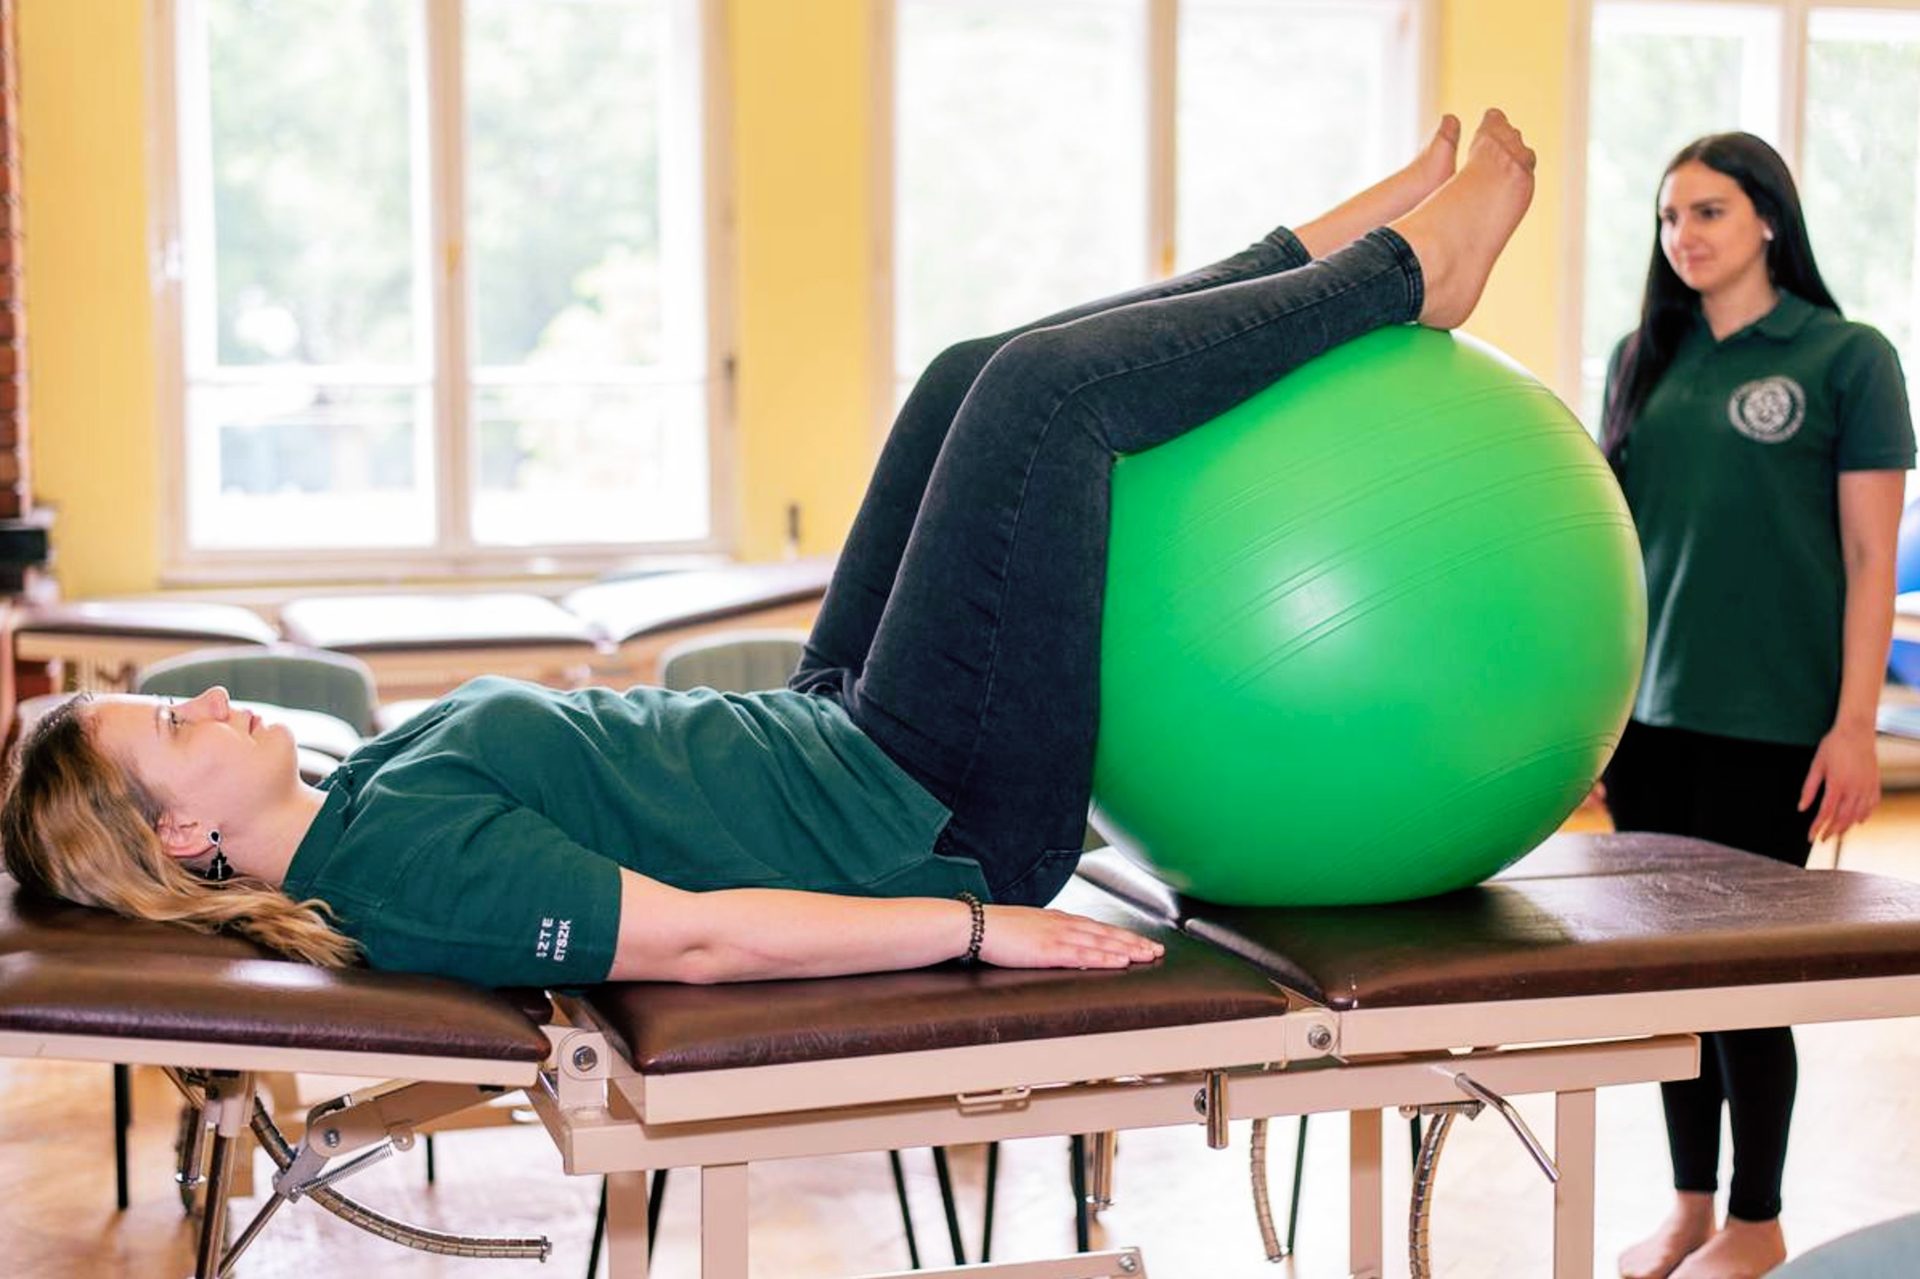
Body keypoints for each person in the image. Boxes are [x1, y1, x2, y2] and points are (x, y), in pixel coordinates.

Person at [0, 110, 1537, 989]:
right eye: (172, 727)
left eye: (177, 696)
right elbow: (703, 936)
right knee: (1040, 408)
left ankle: (1322, 259)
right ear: (182, 845)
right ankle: (1404, 277)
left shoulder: (348, 794)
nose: (210, 700)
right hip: (927, 813)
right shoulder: (396, 872)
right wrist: (989, 923)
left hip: (831, 735)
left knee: (957, 379)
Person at [1600, 133, 1914, 1279]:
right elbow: (1612, 551)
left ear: (1770, 220)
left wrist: (1854, 724)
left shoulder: (1848, 358)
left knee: (1742, 981)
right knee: (1668, 980)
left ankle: (1758, 1217)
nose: (1684, 233)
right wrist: (1591, 719)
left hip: (1775, 720)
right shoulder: (1644, 358)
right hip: (1649, 724)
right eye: (1670, 214)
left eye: (1711, 211)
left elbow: (1873, 557)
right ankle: (1688, 1207)